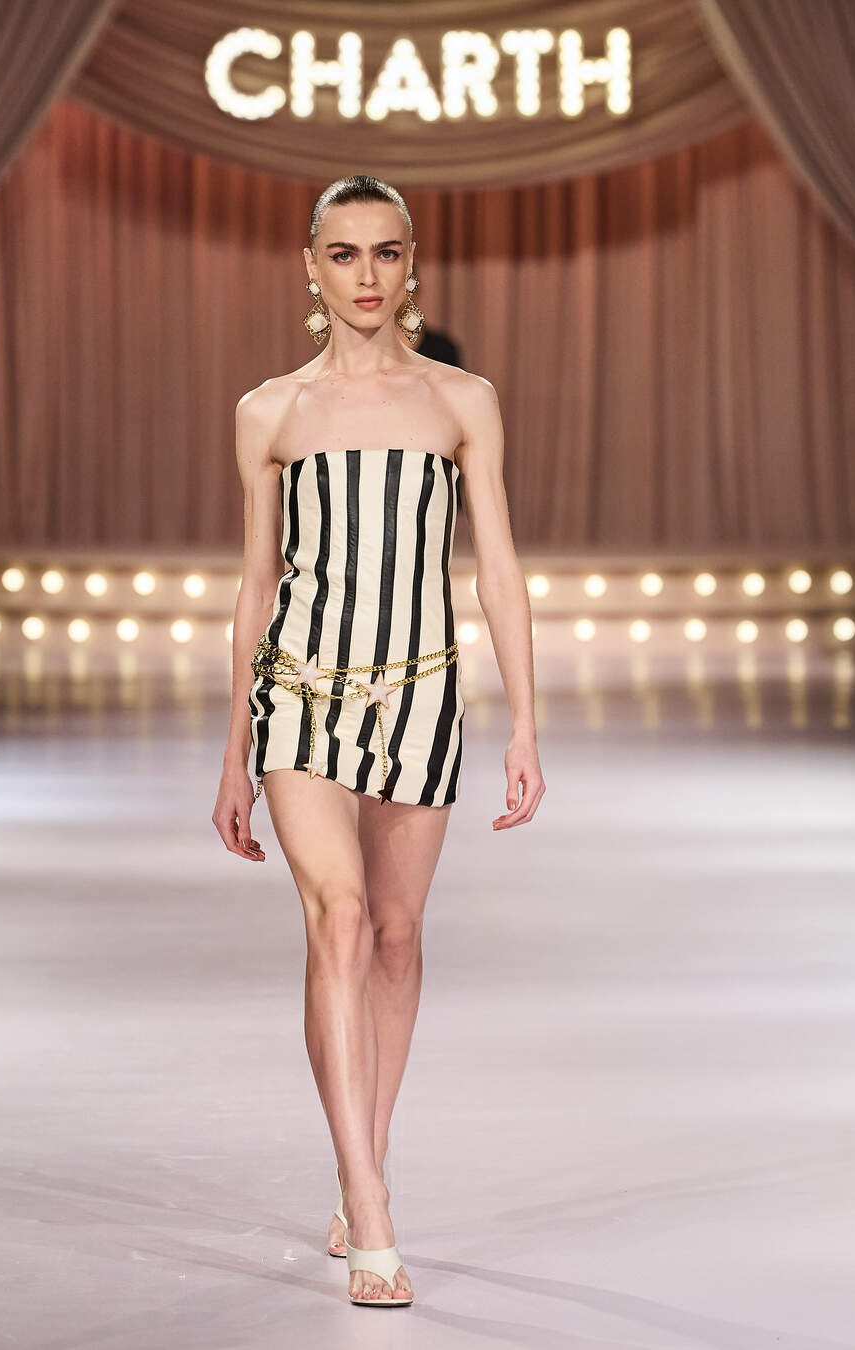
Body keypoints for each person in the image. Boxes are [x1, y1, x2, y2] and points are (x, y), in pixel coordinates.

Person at [213, 174, 544, 1307]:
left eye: (386, 253)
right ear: (310, 266)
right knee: (341, 918)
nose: (367, 275)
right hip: (301, 695)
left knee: (398, 938)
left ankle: (365, 1160)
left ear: (413, 264)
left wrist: (526, 721)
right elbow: (257, 588)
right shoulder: (271, 412)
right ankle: (371, 1207)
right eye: (345, 254)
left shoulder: (463, 401)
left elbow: (498, 568)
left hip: (422, 694)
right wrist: (233, 752)